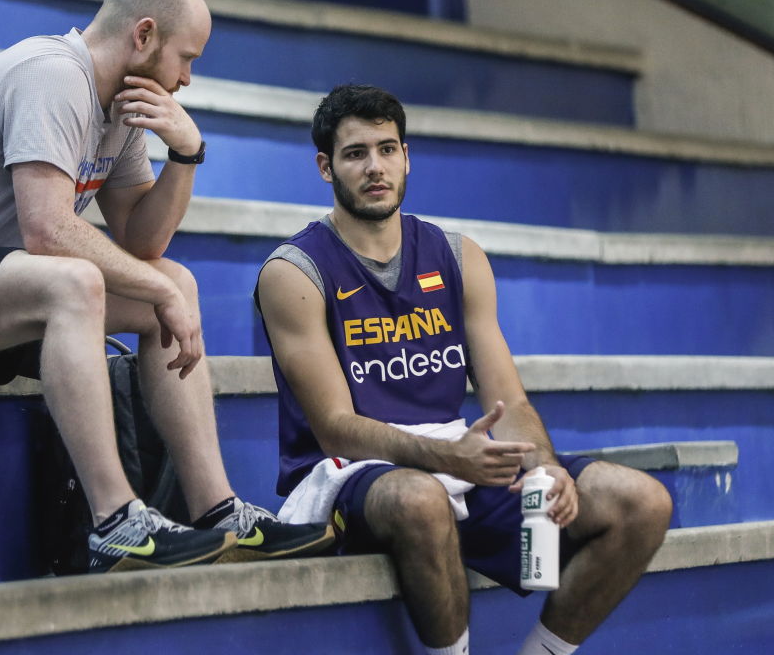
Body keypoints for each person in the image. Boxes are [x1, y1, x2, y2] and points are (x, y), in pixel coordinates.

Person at [0, 0, 333, 573]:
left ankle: (217, 509)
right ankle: (116, 520)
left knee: (175, 282)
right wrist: (156, 289)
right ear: (143, 35)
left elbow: (142, 241)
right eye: (186, 58)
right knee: (80, 282)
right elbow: (47, 231)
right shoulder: (52, 74)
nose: (186, 79)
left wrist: (186, 154)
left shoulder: (120, 110)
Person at [255, 84, 672, 654]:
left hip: (455, 462)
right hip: (351, 475)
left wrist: (544, 467)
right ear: (326, 167)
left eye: (387, 149)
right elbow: (335, 428)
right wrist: (447, 458)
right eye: (355, 154)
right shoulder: (294, 272)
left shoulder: (458, 255)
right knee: (421, 499)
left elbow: (511, 401)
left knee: (641, 502)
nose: (375, 167)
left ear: (406, 157)